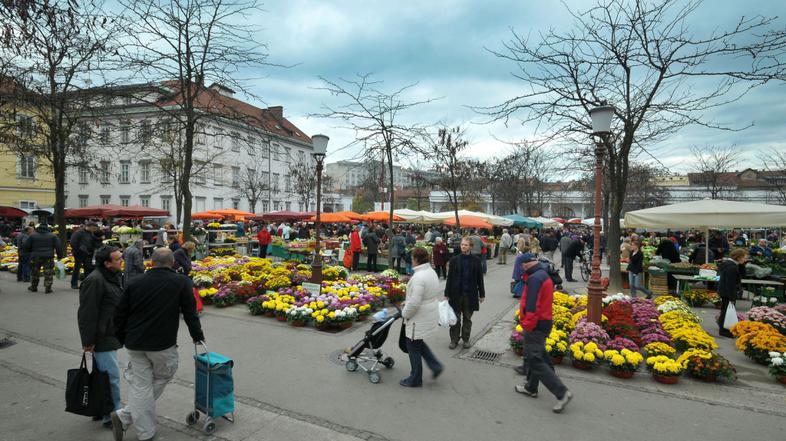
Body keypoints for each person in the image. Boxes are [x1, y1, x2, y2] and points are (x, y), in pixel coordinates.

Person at [111, 248, 204, 441]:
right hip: (162, 344)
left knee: (141, 386)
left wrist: (120, 338)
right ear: (172, 263)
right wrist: (197, 336)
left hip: (134, 343)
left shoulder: (134, 282)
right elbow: (190, 312)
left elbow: (119, 313)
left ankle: (137, 424)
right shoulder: (181, 282)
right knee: (163, 375)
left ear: (151, 262)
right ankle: (129, 418)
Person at [514, 253, 573, 413]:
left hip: (536, 324)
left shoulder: (535, 278)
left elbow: (532, 306)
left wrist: (527, 324)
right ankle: (531, 387)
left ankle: (561, 392)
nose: (520, 267)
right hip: (544, 322)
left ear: (527, 264)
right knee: (539, 356)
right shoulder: (541, 275)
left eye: (521, 264)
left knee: (534, 359)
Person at [78, 246, 124, 428]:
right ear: (107, 263)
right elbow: (87, 313)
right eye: (118, 259)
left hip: (109, 332)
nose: (122, 261)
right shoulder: (95, 280)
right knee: (110, 378)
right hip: (101, 337)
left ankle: (100, 410)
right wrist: (88, 342)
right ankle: (113, 416)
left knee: (100, 377)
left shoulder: (112, 276)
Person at [400, 247, 444, 387]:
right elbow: (423, 296)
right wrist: (408, 302)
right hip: (428, 312)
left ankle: (415, 378)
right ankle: (435, 366)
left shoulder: (419, 277)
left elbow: (414, 303)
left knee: (413, 346)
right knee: (418, 342)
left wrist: (405, 313)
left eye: (412, 258)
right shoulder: (430, 271)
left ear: (417, 259)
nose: (411, 261)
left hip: (418, 317)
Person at [444, 237, 485, 349]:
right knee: (455, 319)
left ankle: (466, 339)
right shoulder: (454, 260)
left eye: (466, 245)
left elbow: (479, 279)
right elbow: (450, 278)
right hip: (455, 294)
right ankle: (454, 339)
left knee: (467, 318)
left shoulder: (476, 261)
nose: (463, 246)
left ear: (471, 247)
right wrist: (447, 293)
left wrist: (482, 294)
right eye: (462, 244)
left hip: (470, 294)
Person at [23, 223, 63, 294]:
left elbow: (26, 246)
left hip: (35, 256)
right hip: (48, 257)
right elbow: (58, 247)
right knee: (48, 272)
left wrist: (30, 252)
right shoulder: (53, 236)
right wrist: (59, 256)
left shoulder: (32, 235)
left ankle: (34, 287)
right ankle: (48, 288)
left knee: (35, 272)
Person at [717, 248, 747, 338]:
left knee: (725, 311)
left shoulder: (731, 265)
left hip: (724, 291)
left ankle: (723, 329)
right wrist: (732, 297)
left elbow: (743, 274)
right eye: (744, 257)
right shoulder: (732, 267)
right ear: (738, 257)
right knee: (726, 311)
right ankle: (724, 330)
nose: (745, 259)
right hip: (727, 292)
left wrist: (742, 265)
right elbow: (730, 283)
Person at [70, 222, 99, 289]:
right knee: (77, 269)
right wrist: (78, 250)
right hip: (79, 254)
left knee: (88, 269)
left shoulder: (91, 233)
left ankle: (87, 284)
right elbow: (73, 243)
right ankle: (74, 284)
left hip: (88, 253)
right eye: (94, 228)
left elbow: (93, 243)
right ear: (90, 226)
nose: (95, 230)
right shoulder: (78, 233)